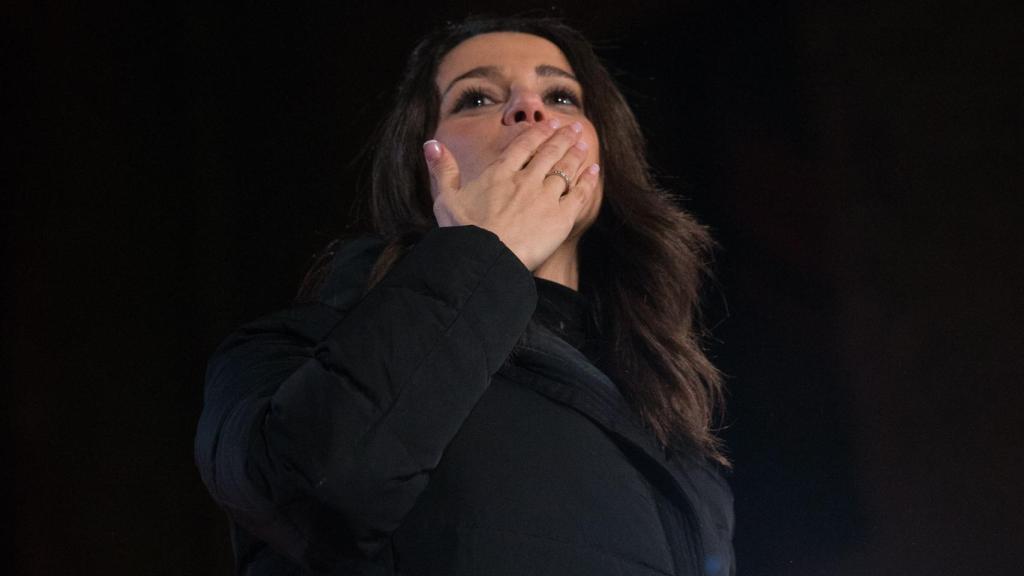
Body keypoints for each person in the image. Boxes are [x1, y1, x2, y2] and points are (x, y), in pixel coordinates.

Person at [195, 15, 735, 576]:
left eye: (561, 96)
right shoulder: (288, 352)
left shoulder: (666, 413)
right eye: (476, 98)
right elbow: (314, 490)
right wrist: (485, 250)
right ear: (419, 161)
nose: (529, 111)